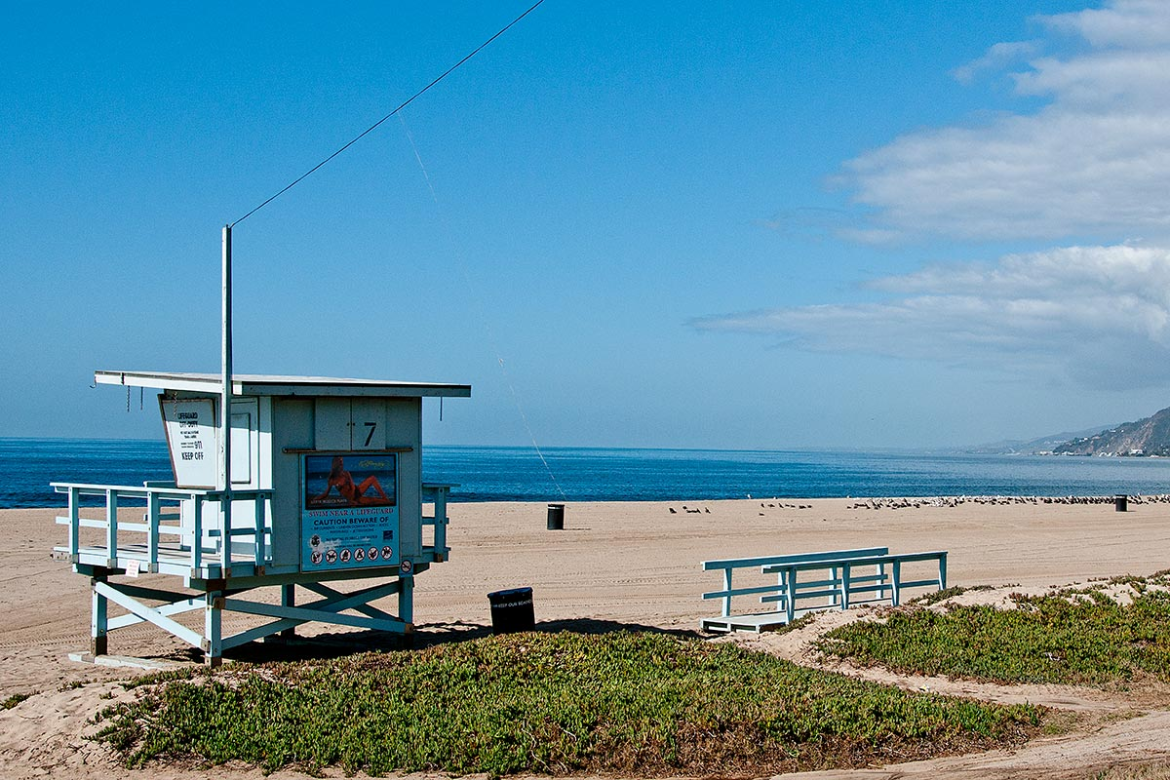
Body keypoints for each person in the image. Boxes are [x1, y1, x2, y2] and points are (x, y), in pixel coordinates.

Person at [312, 456, 390, 506]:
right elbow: (326, 494)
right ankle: (385, 500)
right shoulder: (332, 479)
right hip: (353, 498)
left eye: (342, 462)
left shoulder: (346, 473)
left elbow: (352, 487)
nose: (342, 463)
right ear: (336, 464)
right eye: (340, 462)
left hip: (356, 491)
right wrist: (315, 500)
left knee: (373, 478)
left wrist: (351, 500)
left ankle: (385, 497)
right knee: (376, 501)